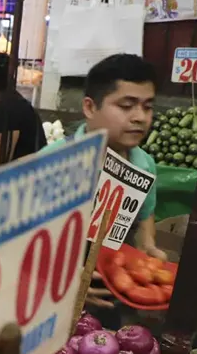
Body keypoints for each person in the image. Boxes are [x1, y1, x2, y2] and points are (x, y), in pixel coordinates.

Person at [47, 54, 164, 315]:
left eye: (147, 107)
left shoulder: (144, 164)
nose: (140, 117)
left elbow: (144, 216)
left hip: (112, 293)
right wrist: (60, 279)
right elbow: (21, 243)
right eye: (126, 106)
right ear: (90, 107)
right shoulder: (52, 163)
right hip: (51, 301)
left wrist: (148, 248)